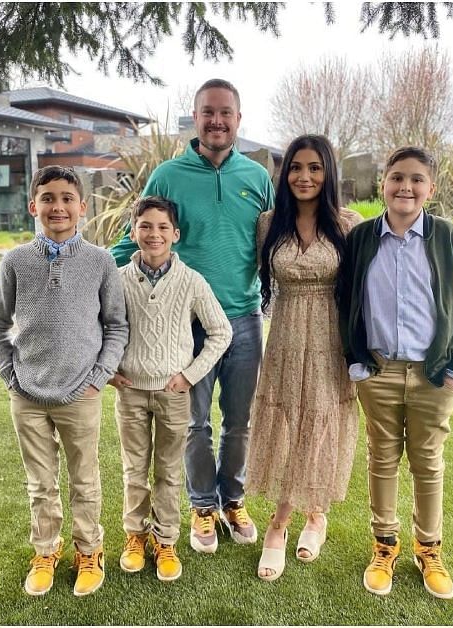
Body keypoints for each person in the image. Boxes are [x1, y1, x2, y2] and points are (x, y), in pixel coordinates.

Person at [110, 78, 273, 553]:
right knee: (194, 423)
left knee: (239, 421)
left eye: (226, 112)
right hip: (184, 325)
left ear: (238, 119)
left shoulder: (256, 178)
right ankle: (203, 505)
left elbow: (272, 244)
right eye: (208, 112)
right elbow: (135, 237)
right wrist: (91, 276)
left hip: (242, 319)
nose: (217, 120)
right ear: (195, 117)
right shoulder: (167, 175)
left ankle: (232, 499)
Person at [338, 146, 453, 600]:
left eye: (416, 179)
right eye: (397, 177)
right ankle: (385, 544)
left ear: (430, 188)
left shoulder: (447, 238)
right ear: (382, 183)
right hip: (378, 371)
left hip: (434, 373)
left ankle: (428, 548)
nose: (406, 186)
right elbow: (345, 302)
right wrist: (357, 361)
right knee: (382, 458)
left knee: (427, 463)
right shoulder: (361, 239)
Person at [0, 165, 129, 597]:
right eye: (48, 198)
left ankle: (90, 550)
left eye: (67, 198)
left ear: (82, 207)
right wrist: (11, 376)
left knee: (84, 480)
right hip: (27, 394)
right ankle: (45, 551)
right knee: (40, 483)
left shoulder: (102, 262)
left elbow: (116, 326)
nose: (58, 206)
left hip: (80, 392)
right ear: (34, 206)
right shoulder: (15, 261)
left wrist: (99, 377)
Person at [246, 135, 364, 581]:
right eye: (296, 167)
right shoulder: (268, 223)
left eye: (315, 167)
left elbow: (364, 289)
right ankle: (280, 523)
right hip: (285, 336)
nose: (304, 176)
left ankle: (313, 517)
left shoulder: (349, 223)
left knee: (321, 419)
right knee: (288, 421)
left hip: (331, 339)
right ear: (285, 172)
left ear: (328, 172)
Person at [112, 196, 231, 582]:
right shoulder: (117, 279)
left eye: (163, 227)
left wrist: (190, 375)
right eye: (146, 226)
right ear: (134, 232)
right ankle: (135, 536)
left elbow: (221, 332)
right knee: (134, 469)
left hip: (173, 393)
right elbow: (101, 328)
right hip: (130, 391)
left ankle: (165, 541)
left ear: (175, 235)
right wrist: (110, 369)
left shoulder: (191, 281)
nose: (154, 234)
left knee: (167, 472)